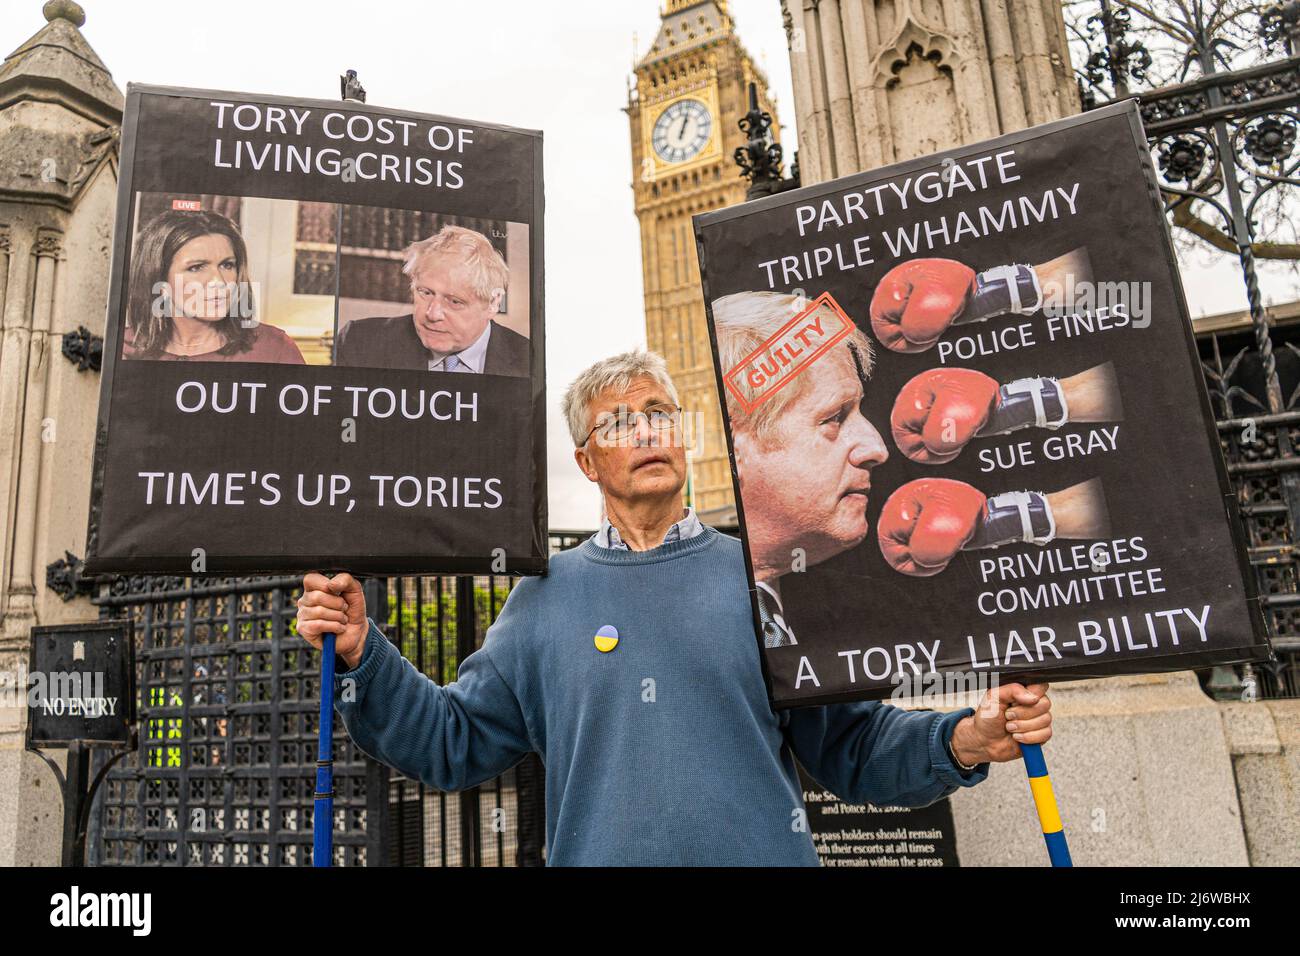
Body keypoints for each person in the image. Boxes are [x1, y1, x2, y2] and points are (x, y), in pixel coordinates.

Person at [295, 348, 1053, 866]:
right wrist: (363, 649)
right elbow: (449, 742)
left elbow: (852, 749)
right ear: (588, 462)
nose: (646, 431)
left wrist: (965, 740)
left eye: (659, 413)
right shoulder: (543, 598)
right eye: (619, 422)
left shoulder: (768, 579)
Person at [713, 291, 887, 647]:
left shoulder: (851, 613)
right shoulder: (676, 623)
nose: (876, 448)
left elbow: (843, 707)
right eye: (834, 417)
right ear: (735, 449)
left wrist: (979, 706)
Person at [334, 224, 529, 376]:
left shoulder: (530, 360)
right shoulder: (359, 343)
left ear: (494, 302)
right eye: (425, 293)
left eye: (454, 301)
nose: (432, 314)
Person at [123, 209, 305, 363]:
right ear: (159, 280)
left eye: (227, 265)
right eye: (196, 267)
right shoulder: (121, 348)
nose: (219, 281)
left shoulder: (274, 349)